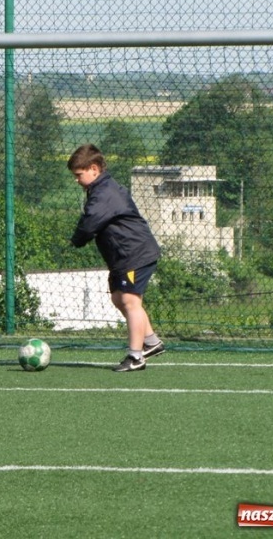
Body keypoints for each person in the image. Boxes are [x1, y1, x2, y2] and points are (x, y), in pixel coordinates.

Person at [67, 143, 163, 372]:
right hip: (124, 255)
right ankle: (151, 342)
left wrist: (77, 240)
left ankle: (136, 356)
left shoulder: (105, 193)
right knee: (119, 299)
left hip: (134, 253)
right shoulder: (100, 189)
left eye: (78, 175)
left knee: (130, 301)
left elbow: (90, 222)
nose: (76, 180)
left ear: (93, 169)